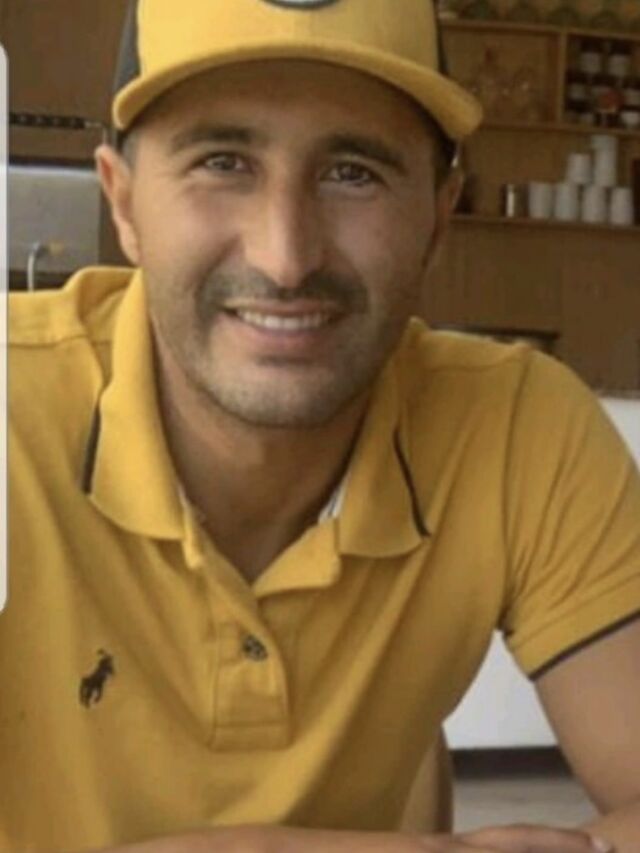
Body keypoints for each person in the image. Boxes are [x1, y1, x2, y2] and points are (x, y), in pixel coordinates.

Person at [3, 0, 640, 851]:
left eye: (353, 172)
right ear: (124, 204)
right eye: (223, 162)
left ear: (438, 217)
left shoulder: (521, 429)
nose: (285, 256)